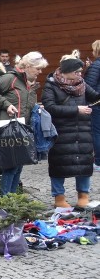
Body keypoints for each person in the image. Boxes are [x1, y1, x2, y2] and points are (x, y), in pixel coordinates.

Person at [0, 51, 48, 195]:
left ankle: (12, 198)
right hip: (8, 128)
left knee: (19, 166)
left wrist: (36, 108)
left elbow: (25, 104)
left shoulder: (29, 83)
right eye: (38, 68)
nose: (40, 72)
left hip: (23, 128)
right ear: (29, 66)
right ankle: (5, 200)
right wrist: (6, 105)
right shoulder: (9, 78)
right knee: (11, 167)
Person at [42, 54, 100, 208]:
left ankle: (83, 196)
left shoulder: (82, 84)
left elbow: (95, 97)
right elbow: (49, 107)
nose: (80, 75)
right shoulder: (51, 85)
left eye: (81, 72)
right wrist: (76, 109)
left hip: (83, 131)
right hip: (61, 131)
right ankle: (59, 198)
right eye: (77, 72)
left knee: (84, 163)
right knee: (58, 165)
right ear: (67, 71)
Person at [86, 40, 100, 172]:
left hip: (97, 103)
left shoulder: (96, 65)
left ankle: (98, 162)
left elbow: (89, 86)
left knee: (97, 133)